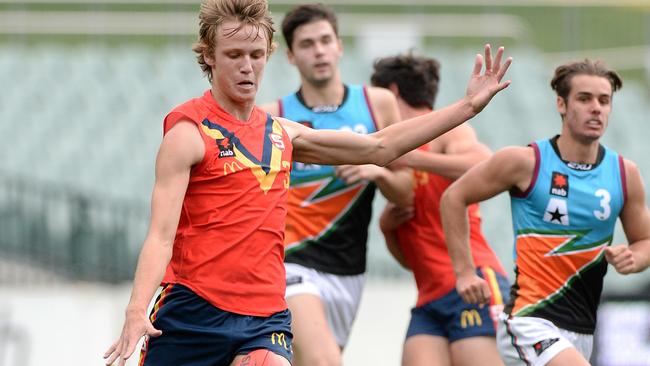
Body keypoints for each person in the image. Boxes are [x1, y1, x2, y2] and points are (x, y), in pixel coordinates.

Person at [102, 0, 513, 364]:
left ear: (269, 55)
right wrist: (136, 309)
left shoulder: (282, 132)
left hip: (266, 316)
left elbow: (380, 148)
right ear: (208, 56)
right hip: (193, 311)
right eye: (234, 55)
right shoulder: (188, 134)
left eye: (256, 54)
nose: (247, 66)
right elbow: (160, 236)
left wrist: (468, 106)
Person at [440, 59, 650, 366]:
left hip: (582, 330)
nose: (596, 108)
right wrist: (463, 272)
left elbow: (644, 241)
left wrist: (635, 258)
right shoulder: (525, 161)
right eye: (584, 98)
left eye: (604, 101)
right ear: (561, 104)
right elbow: (453, 197)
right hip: (530, 321)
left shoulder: (624, 173)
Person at [260, 5, 413, 365]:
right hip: (291, 263)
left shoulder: (378, 105)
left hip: (349, 269)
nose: (319, 51)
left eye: (326, 40)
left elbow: (406, 192)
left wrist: (375, 170)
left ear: (340, 46)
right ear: (291, 55)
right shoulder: (272, 117)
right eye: (308, 44)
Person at [374, 52, 510, 366]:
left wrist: (410, 157)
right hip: (429, 297)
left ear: (391, 92)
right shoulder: (393, 149)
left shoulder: (445, 132)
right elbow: (412, 262)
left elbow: (484, 163)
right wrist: (387, 228)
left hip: (474, 281)